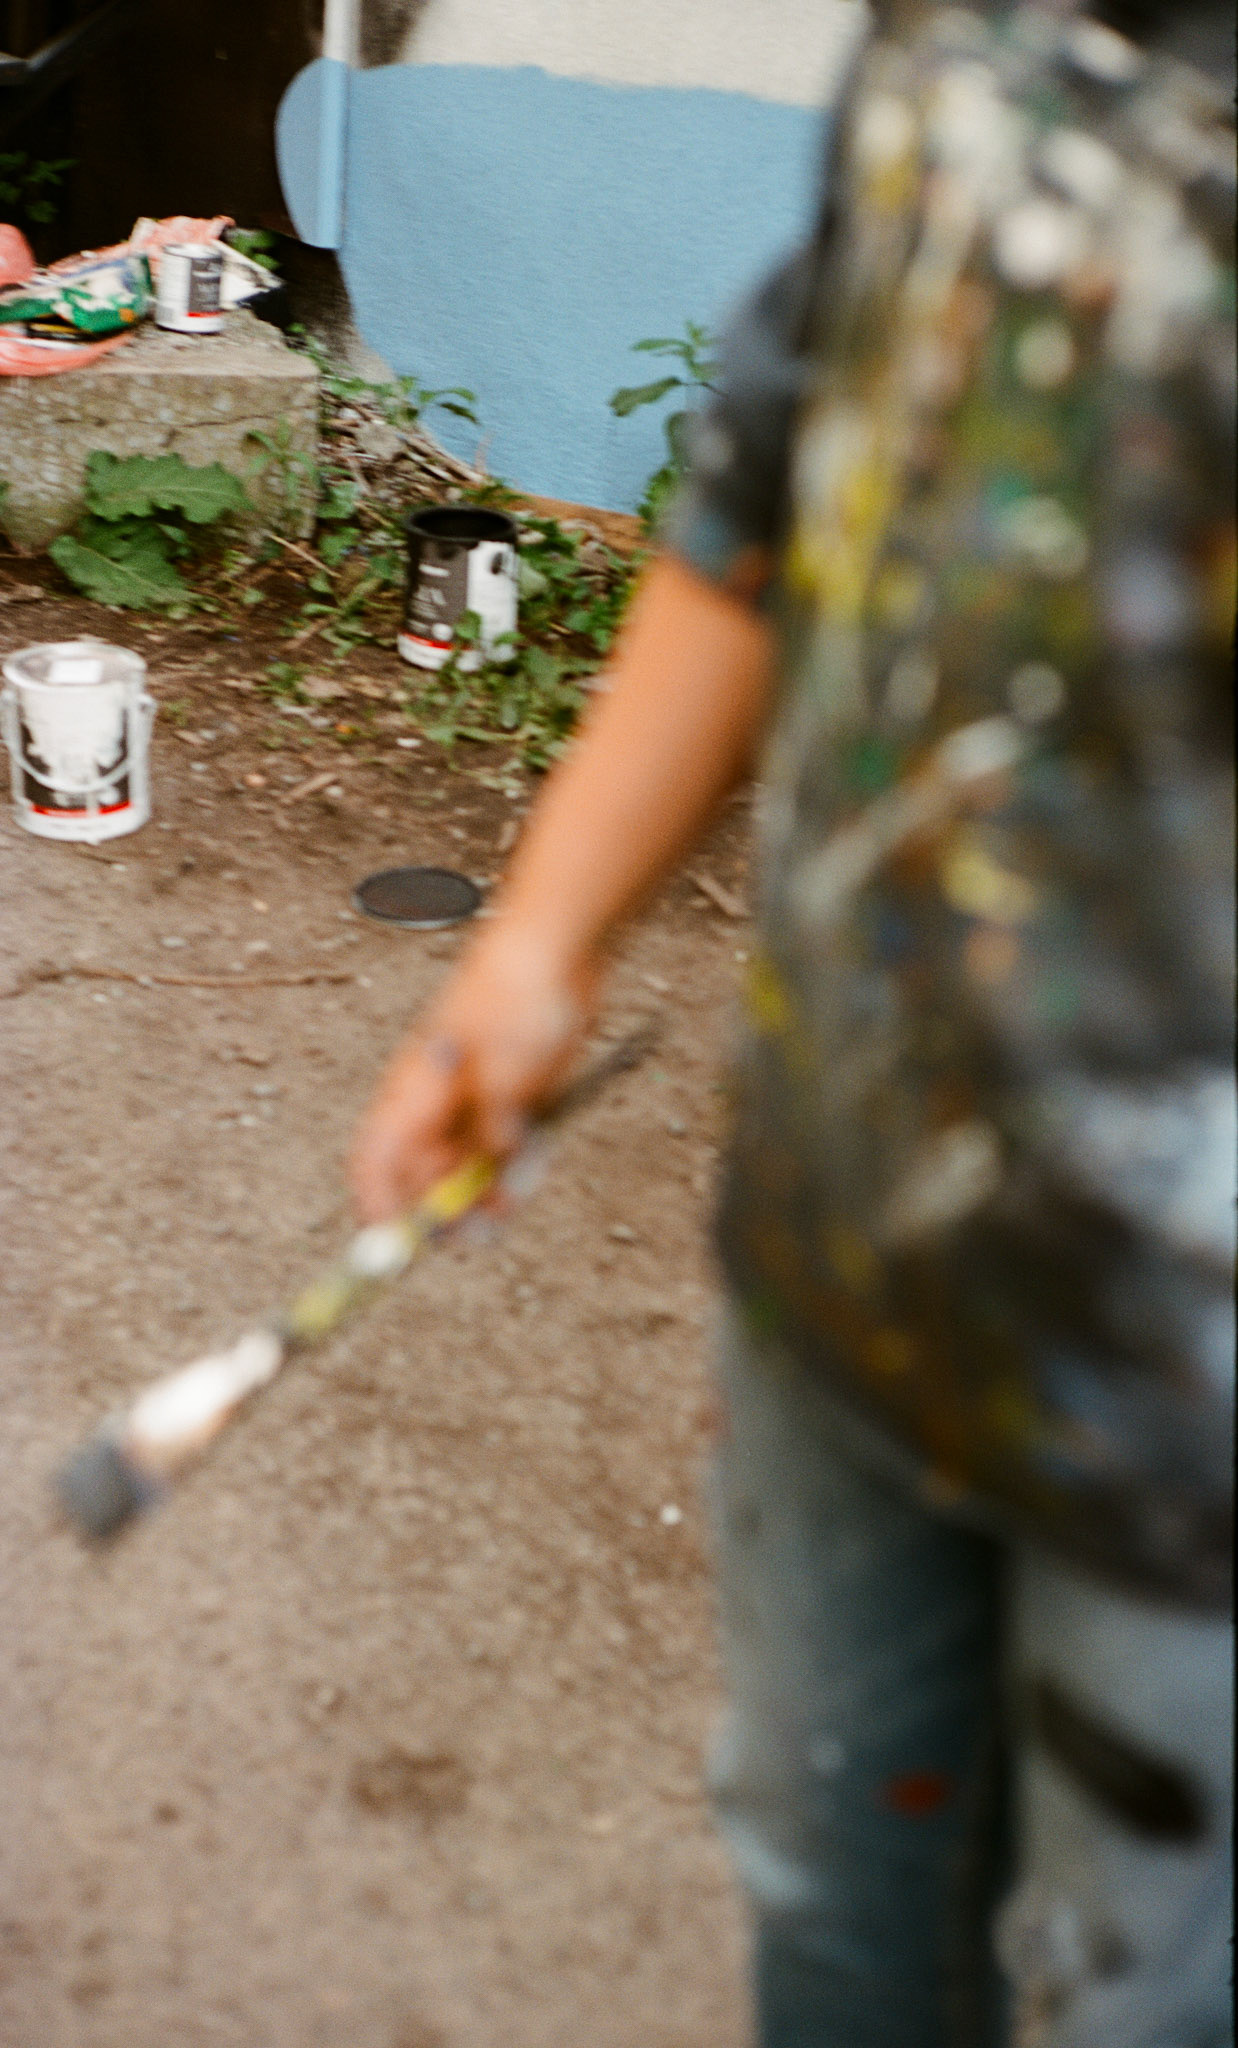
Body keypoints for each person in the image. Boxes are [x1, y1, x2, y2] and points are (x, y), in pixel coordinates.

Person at [352, 2, 1235, 2040]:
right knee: (835, 1892)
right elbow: (769, 483)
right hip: (848, 1259)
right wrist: (538, 936)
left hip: (1195, 1409)